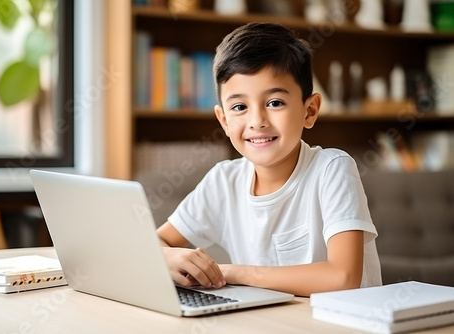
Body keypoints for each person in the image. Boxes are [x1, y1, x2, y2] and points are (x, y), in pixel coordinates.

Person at [157, 22, 381, 297]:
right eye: (240, 107)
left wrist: (236, 272)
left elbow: (342, 277)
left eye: (274, 102)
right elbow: (158, 240)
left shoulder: (332, 169)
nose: (257, 121)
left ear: (309, 110)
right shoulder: (223, 181)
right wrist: (167, 258)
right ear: (224, 121)